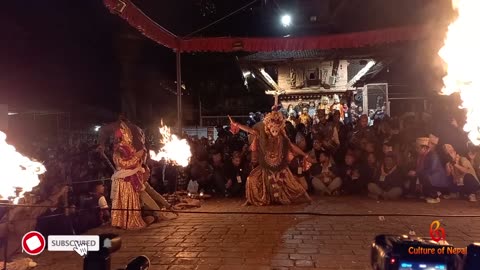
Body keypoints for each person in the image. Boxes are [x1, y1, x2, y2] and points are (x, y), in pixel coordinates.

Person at [229, 110, 314, 206]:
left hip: (280, 167)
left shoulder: (283, 138)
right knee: (251, 179)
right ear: (269, 128)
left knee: (293, 184)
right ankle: (250, 199)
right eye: (273, 130)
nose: (275, 132)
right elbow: (250, 130)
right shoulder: (262, 136)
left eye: (277, 130)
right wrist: (237, 125)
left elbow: (292, 146)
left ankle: (307, 198)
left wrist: (305, 155)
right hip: (265, 167)